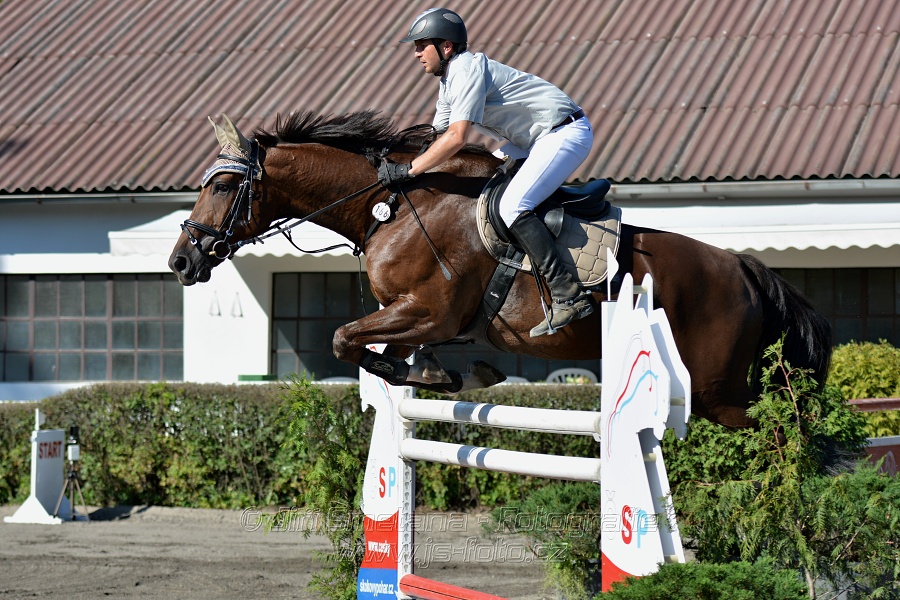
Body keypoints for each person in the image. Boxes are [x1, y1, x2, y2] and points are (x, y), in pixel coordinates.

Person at [379, 7, 595, 337]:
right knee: (481, 186)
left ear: (446, 47)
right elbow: (435, 137)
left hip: (563, 132)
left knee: (512, 207)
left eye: (422, 45)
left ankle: (568, 294)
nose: (416, 53)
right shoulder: (449, 81)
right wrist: (389, 158)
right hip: (532, 140)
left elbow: (456, 137)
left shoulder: (465, 70)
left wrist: (408, 171)